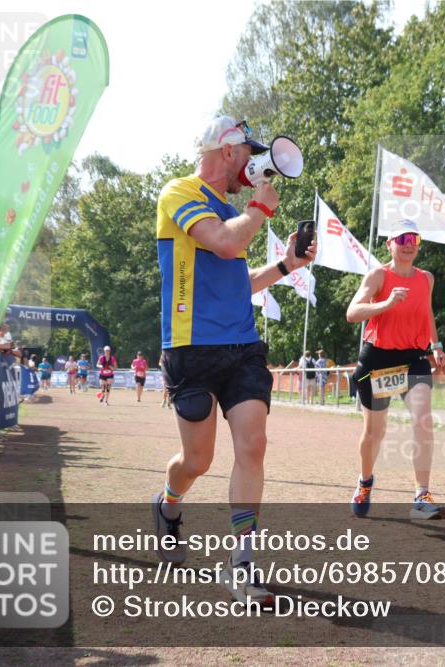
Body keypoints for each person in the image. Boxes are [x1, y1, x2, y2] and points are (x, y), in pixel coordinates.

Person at [150, 114, 315, 608]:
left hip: (242, 345)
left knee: (254, 444)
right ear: (227, 151)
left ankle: (241, 562)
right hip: (189, 348)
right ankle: (168, 503)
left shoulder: (229, 210)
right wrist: (260, 209)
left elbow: (236, 285)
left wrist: (288, 265)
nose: (254, 163)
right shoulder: (180, 193)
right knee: (196, 461)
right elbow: (225, 243)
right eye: (249, 153)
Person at [346, 219, 445, 521]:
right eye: (402, 238)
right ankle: (365, 482)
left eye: (414, 238)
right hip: (378, 359)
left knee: (423, 420)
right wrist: (386, 303)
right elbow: (353, 313)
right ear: (390, 243)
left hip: (413, 358)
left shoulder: (426, 279)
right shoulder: (379, 275)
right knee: (375, 432)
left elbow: (426, 311)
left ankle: (421, 496)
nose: (408, 244)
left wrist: (436, 344)